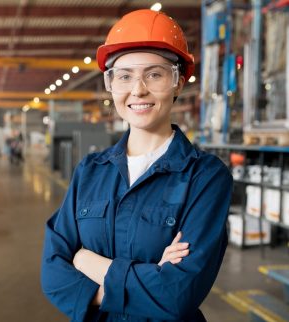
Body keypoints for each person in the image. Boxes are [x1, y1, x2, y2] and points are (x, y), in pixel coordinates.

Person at [41, 9, 233, 322]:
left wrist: (86, 261)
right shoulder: (90, 171)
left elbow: (177, 295)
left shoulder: (206, 177)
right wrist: (152, 274)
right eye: (125, 76)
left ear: (178, 81)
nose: (138, 89)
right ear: (111, 84)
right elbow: (53, 275)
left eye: (154, 74)